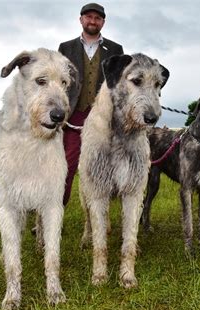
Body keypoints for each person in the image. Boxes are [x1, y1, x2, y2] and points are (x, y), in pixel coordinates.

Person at [59, 3, 124, 205]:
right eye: (88, 17)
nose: (92, 21)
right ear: (81, 19)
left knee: (102, 164)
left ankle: (98, 213)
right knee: (66, 165)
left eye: (97, 18)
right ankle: (55, 213)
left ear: (103, 22)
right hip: (74, 114)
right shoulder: (65, 47)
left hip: (102, 115)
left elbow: (119, 83)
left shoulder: (115, 49)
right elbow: (58, 81)